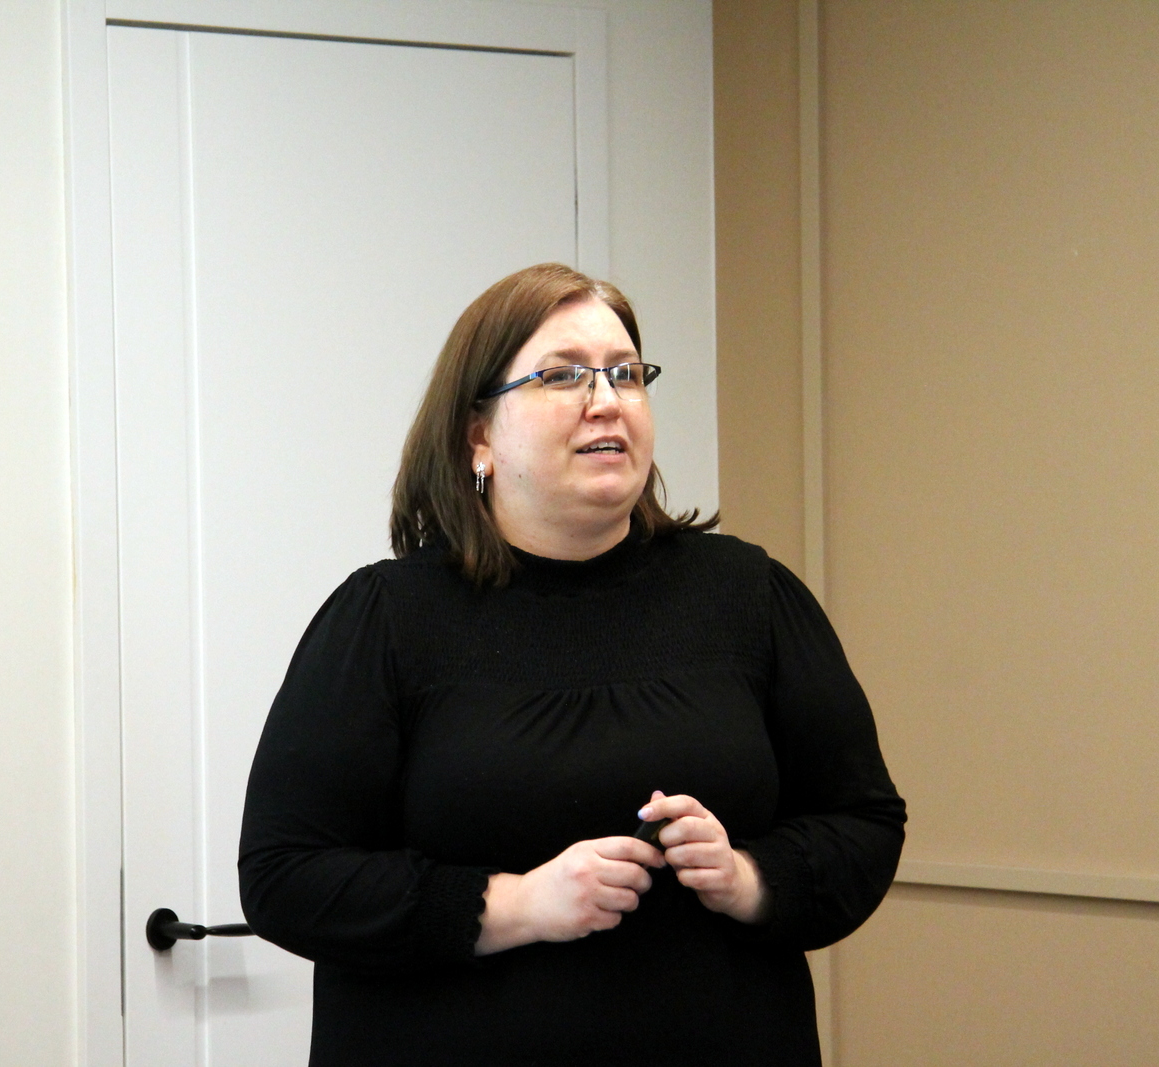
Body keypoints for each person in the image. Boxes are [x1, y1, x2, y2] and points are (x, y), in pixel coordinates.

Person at [239, 263, 905, 1067]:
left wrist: (746, 876)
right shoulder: (384, 619)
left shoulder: (748, 595)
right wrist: (517, 903)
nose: (607, 400)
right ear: (478, 435)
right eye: (563, 375)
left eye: (626, 374)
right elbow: (286, 875)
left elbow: (863, 823)